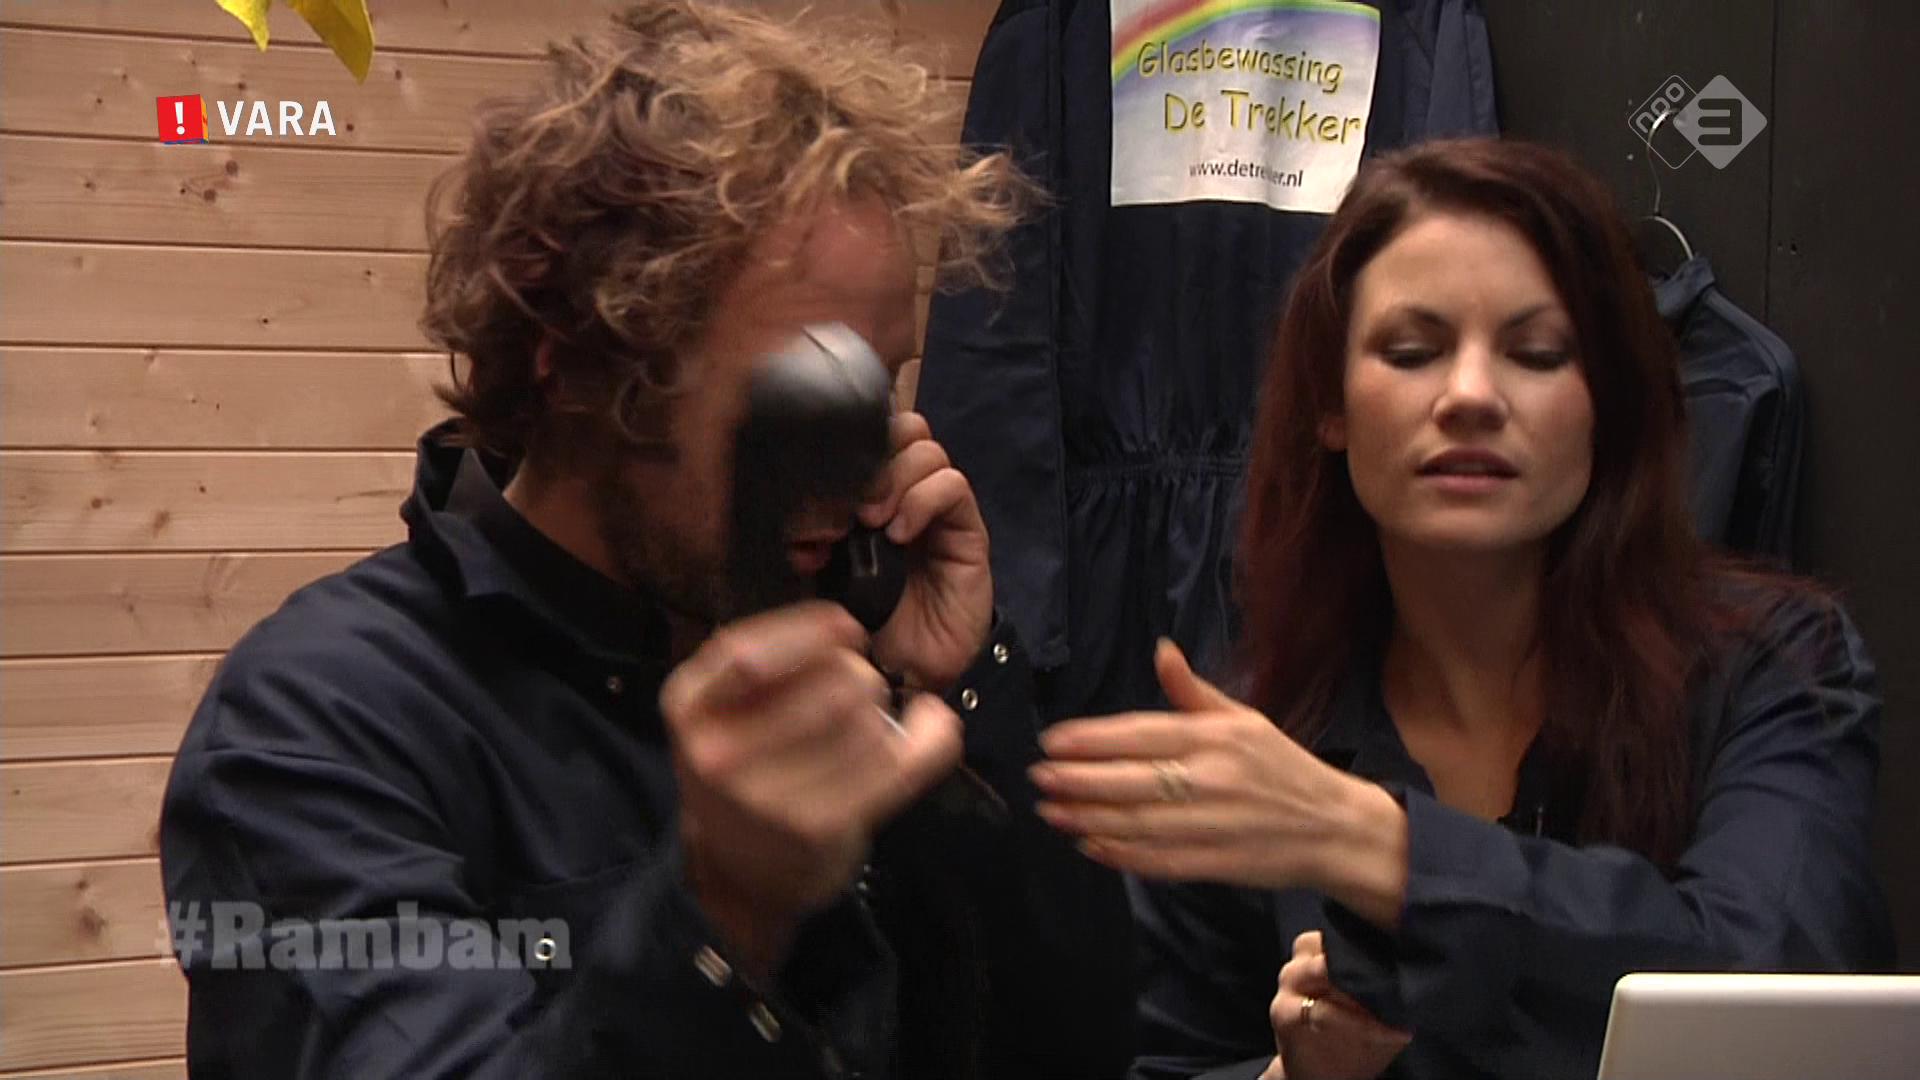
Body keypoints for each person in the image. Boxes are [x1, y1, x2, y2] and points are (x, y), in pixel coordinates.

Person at [158, 3, 1134, 1078]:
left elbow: (1079, 1049)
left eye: (879, 389)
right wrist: (719, 922)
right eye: (802, 401)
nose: (861, 469)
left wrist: (967, 690)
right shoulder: (317, 723)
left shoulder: (847, 655)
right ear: (579, 364)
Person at [1026, 137, 1893, 1080]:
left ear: (1608, 404)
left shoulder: (1772, 664)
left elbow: (1771, 991)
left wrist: (1371, 844)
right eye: (1412, 351)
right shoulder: (1263, 737)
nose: (1472, 395)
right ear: (1331, 406)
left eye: (1536, 353)